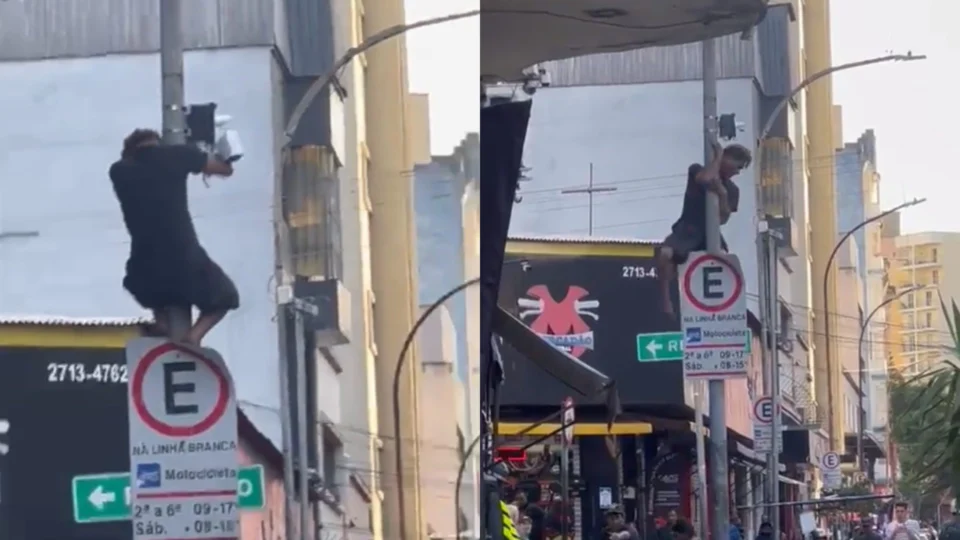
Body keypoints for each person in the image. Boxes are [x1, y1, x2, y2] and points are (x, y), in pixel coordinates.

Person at [110, 129, 239, 346]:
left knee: (148, 288)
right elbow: (224, 170)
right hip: (184, 255)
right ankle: (194, 336)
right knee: (225, 297)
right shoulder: (178, 155)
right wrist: (212, 155)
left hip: (145, 264)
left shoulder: (118, 172)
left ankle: (162, 321)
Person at [655, 142, 751, 316]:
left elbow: (723, 218)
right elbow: (705, 179)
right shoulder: (697, 169)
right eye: (737, 166)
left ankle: (721, 305)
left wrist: (722, 194)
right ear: (727, 159)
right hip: (687, 229)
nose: (737, 172)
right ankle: (666, 300)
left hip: (710, 233)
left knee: (723, 262)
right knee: (665, 254)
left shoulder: (732, 190)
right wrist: (718, 155)